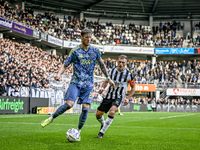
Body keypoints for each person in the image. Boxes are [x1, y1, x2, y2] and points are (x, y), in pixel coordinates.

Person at [41, 29, 115, 140]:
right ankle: (51, 118)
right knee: (69, 104)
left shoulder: (95, 51)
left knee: (85, 108)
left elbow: (102, 65)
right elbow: (65, 65)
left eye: (90, 37)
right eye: (86, 37)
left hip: (88, 85)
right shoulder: (75, 51)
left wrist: (108, 78)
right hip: (75, 83)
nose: (89, 39)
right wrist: (58, 74)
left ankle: (78, 132)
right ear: (81, 37)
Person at [96, 55, 135, 138]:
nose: (121, 64)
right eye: (119, 62)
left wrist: (128, 98)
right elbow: (106, 80)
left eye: (123, 62)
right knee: (98, 115)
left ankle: (101, 132)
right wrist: (102, 88)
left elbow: (133, 87)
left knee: (113, 111)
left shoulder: (129, 75)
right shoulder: (111, 71)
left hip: (119, 96)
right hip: (109, 95)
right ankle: (103, 124)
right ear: (117, 62)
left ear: (126, 63)